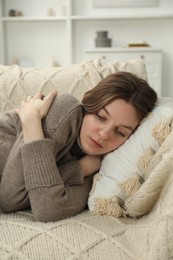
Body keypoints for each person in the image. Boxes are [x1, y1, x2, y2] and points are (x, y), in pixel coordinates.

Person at [0, 71, 157, 222]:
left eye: (120, 132)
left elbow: (49, 209)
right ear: (88, 100)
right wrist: (31, 121)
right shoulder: (64, 110)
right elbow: (10, 197)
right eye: (101, 117)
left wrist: (80, 169)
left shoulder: (99, 171)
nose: (103, 135)